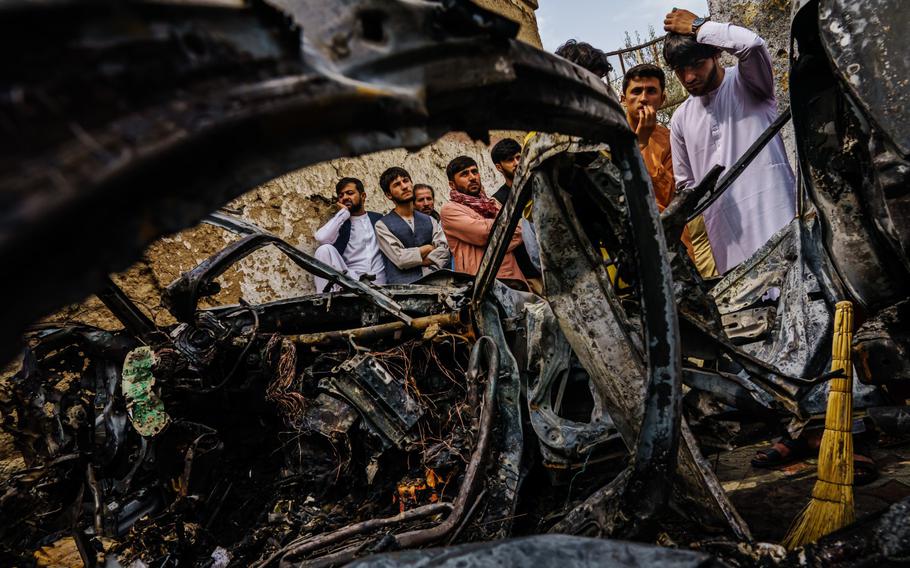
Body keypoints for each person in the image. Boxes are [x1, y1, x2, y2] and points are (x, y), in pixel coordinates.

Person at [663, 9, 796, 274]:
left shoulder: (749, 85)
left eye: (696, 64)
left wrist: (700, 26)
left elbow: (752, 44)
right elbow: (686, 186)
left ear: (716, 54)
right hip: (728, 245)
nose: (689, 78)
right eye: (680, 70)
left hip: (779, 223)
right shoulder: (679, 119)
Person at [620, 63, 718, 277]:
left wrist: (645, 143)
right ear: (623, 99)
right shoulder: (610, 137)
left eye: (651, 91)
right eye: (636, 91)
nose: (643, 98)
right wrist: (640, 143)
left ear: (662, 99)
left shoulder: (669, 137)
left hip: (672, 244)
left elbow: (671, 196)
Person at [439, 156, 526, 284]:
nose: (472, 177)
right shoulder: (450, 210)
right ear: (452, 184)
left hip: (513, 278)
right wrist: (506, 231)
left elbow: (520, 231)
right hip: (481, 283)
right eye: (464, 174)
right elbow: (485, 234)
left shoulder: (493, 204)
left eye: (474, 172)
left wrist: (505, 232)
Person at [374, 167, 450, 284]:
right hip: (403, 292)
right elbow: (400, 259)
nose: (404, 186)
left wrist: (413, 259)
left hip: (434, 287)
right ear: (389, 195)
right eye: (397, 184)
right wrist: (428, 248)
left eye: (405, 181)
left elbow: (444, 253)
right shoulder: (382, 225)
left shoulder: (430, 220)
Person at [313, 177, 386, 292]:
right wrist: (343, 214)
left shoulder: (379, 219)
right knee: (323, 250)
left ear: (363, 196)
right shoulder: (339, 223)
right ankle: (324, 300)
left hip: (380, 282)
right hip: (352, 281)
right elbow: (321, 238)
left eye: (350, 193)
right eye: (341, 195)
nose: (345, 197)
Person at [489, 138, 543, 292]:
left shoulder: (539, 185)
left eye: (519, 157)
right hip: (530, 274)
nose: (516, 163)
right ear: (499, 167)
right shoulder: (498, 200)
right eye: (510, 160)